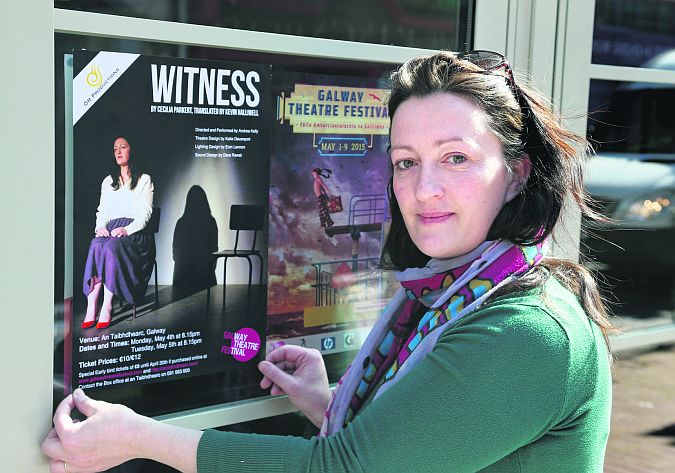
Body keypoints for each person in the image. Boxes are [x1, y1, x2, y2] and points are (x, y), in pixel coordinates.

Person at [43, 51, 613, 472]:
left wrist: (140, 437)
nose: (423, 189)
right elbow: (420, 445)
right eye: (406, 162)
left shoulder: (526, 331)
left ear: (516, 174)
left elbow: (345, 470)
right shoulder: (450, 289)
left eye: (456, 158)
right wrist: (325, 401)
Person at [81, 136, 155, 329]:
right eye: (115, 148)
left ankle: (107, 306)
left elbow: (146, 214)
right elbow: (102, 210)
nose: (118, 151)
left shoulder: (144, 180)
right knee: (96, 244)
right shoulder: (108, 182)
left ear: (132, 150)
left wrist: (127, 229)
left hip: (135, 235)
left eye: (123, 147)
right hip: (112, 229)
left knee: (112, 246)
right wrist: (101, 227)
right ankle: (92, 304)